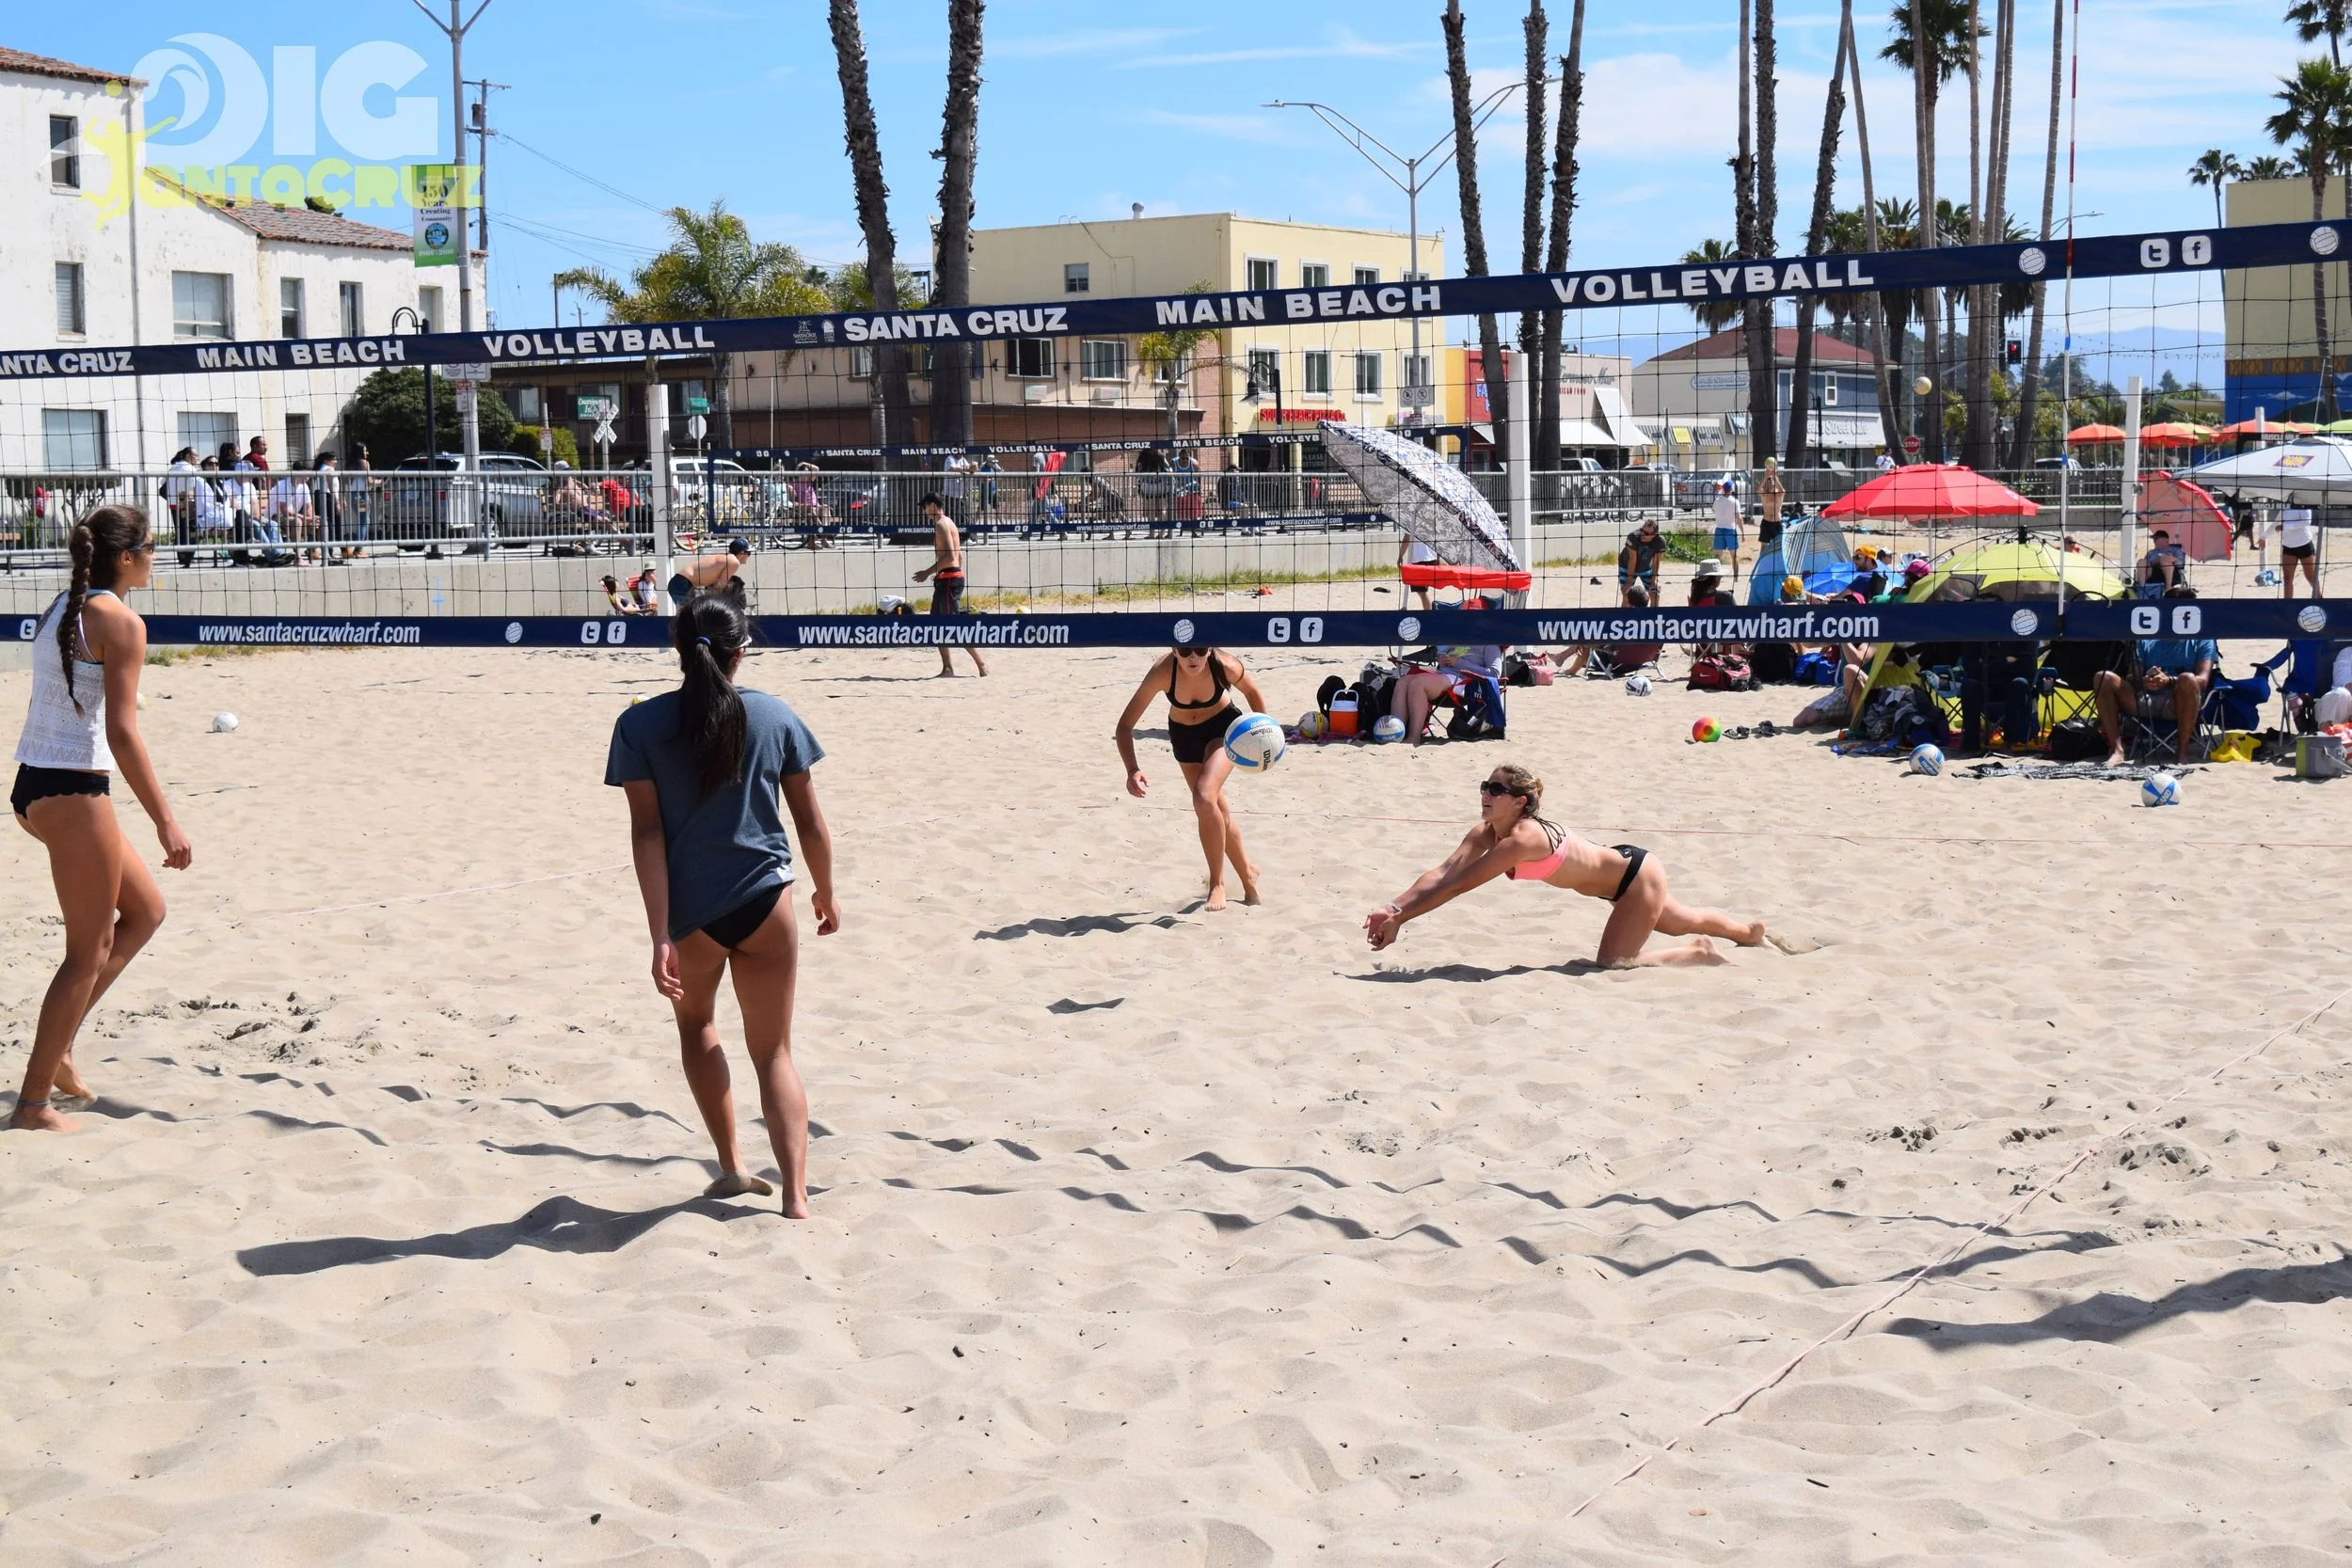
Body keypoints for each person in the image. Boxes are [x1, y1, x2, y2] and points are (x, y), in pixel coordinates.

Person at [608, 591, 836, 1217]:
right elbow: (810, 822)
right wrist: (825, 890)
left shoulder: (639, 726)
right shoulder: (776, 716)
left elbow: (647, 834)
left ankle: (733, 1165)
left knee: (698, 1027)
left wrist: (660, 934)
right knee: (775, 1052)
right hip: (767, 905)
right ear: (742, 652)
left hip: (693, 916)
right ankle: (795, 1197)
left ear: (677, 648)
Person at [12, 505, 193, 1132]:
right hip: (72, 792)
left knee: (145, 912)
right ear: (125, 557)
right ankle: (32, 1105)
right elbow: (120, 731)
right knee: (85, 952)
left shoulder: (59, 608)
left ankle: (59, 1049)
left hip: (35, 786)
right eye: (150, 546)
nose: (156, 554)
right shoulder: (120, 621)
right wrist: (165, 820)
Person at [1366, 765, 1765, 969]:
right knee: (1680, 918)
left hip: (1635, 878)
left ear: (1520, 801)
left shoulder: (1523, 839)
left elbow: (1458, 886)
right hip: (1623, 873)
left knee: (1614, 962)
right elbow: (1443, 872)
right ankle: (1748, 933)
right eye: (1484, 786)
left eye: (1496, 790)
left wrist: (1403, 921)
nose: (1485, 794)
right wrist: (1394, 908)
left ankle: (1698, 950)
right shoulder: (1487, 831)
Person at [1113, 645, 1269, 911]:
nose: (1193, 657)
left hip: (1223, 729)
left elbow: (1253, 693)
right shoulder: (1163, 671)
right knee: (1212, 808)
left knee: (1203, 795)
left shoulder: (1226, 666)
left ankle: (1217, 885)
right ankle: (1247, 873)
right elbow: (1124, 726)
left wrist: (1264, 736)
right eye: (1185, 651)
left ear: (1209, 650)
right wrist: (1132, 770)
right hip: (1184, 737)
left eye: (1199, 649)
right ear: (1174, 650)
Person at [2095, 631, 2217, 765]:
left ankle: (2181, 753)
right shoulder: (2145, 638)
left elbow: (2203, 680)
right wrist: (2144, 681)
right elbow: (2131, 677)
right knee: (2103, 677)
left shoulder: (2203, 639)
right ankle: (2117, 750)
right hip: (2144, 696)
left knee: (2188, 678)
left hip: (2177, 701)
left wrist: (2169, 681)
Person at [913, 493, 988, 676]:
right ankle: (947, 668)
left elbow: (951, 557)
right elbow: (959, 556)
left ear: (931, 505)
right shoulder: (950, 522)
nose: (924, 512)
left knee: (953, 624)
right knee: (937, 624)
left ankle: (982, 665)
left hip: (949, 579)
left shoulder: (941, 525)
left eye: (925, 507)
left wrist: (927, 573)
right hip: (948, 578)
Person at [667, 535, 751, 606]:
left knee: (690, 616)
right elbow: (720, 586)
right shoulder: (734, 562)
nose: (749, 556)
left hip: (681, 583)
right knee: (687, 617)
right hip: (682, 583)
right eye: (749, 553)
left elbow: (714, 587)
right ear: (742, 553)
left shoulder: (725, 558)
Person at [2265, 502, 2319, 598]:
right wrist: (2263, 537)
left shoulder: (2304, 502)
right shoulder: (2284, 504)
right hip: (2288, 546)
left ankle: (2321, 600)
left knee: (2311, 578)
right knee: (2287, 579)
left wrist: (2284, 526)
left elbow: (2306, 522)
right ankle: (2287, 606)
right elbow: (2276, 522)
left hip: (2304, 544)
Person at [270, 467, 321, 562]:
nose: (307, 478)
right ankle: (298, 558)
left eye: (308, 476)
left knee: (322, 521)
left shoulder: (304, 486)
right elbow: (284, 509)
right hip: (276, 516)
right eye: (305, 475)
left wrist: (311, 517)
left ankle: (325, 555)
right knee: (297, 522)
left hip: (293, 516)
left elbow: (308, 506)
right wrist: (305, 518)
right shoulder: (282, 485)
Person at [1619, 518, 1665, 605]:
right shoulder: (1633, 537)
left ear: (1655, 535)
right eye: (1642, 530)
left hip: (1646, 568)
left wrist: (1653, 582)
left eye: (1647, 533)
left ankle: (1653, 618)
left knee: (1655, 594)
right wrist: (1629, 582)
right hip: (1627, 566)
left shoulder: (1660, 541)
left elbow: (1656, 562)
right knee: (1627, 595)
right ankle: (1624, 618)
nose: (1643, 534)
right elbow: (1632, 560)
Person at [2138, 527, 2187, 595]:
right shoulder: (2151, 552)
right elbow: (2146, 564)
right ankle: (2142, 588)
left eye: (2156, 539)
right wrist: (2155, 561)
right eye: (2154, 539)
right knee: (2141, 561)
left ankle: (2168, 589)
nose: (2154, 541)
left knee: (2165, 558)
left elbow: (2181, 563)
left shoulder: (2176, 550)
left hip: (2172, 573)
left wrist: (2172, 558)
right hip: (2152, 572)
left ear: (2165, 540)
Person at [1711, 479, 1743, 576]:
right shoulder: (1735, 501)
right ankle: (1736, 577)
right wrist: (1743, 532)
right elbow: (1739, 518)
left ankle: (1714, 576)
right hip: (1730, 530)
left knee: (1717, 556)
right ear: (1732, 489)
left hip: (1719, 529)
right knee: (1734, 556)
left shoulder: (1717, 500)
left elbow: (1714, 510)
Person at [1399, 531, 1437, 610]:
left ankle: (1429, 613)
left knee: (1422, 591)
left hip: (1419, 559)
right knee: (1422, 590)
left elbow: (1406, 539)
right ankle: (1431, 608)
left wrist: (1400, 556)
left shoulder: (1410, 519)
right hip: (1431, 557)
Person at [1755, 457, 1785, 555]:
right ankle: (1761, 566)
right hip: (1766, 522)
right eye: (1768, 481)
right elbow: (1758, 490)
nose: (1769, 482)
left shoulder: (1779, 494)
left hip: (1777, 523)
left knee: (1779, 547)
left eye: (1771, 481)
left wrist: (1774, 476)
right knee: (1763, 546)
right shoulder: (1764, 494)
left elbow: (1783, 491)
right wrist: (1765, 477)